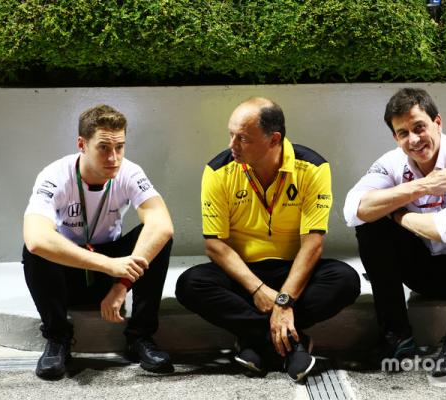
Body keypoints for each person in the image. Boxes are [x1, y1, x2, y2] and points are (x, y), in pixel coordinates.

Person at [176, 97, 360, 382]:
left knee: (346, 279)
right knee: (190, 284)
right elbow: (215, 245)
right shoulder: (217, 171)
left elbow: (312, 244)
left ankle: (255, 341)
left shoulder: (313, 167)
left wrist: (284, 301)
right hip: (243, 275)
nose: (232, 145)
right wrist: (258, 290)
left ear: (274, 139)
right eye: (231, 135)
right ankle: (292, 345)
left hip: (294, 272)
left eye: (243, 139)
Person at [343, 88, 446, 377]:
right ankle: (397, 336)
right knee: (370, 224)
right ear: (396, 138)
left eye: (419, 127)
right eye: (403, 133)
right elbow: (352, 210)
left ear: (438, 122)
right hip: (429, 273)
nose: (414, 139)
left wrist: (399, 214)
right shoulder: (391, 163)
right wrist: (421, 187)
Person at [23, 104, 174, 379]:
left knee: (157, 236)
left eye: (120, 147)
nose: (114, 158)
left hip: (111, 275)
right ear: (82, 144)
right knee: (36, 250)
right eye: (104, 147)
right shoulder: (54, 175)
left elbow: (161, 224)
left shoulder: (130, 172)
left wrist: (121, 285)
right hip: (69, 272)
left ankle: (140, 337)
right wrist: (108, 265)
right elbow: (35, 238)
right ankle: (57, 339)